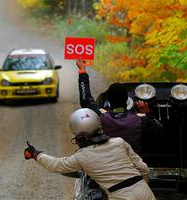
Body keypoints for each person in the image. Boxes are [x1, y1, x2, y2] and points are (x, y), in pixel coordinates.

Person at [24, 108, 156, 200]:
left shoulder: (82, 157)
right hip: (145, 192)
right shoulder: (119, 142)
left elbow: (56, 165)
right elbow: (143, 168)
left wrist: (36, 154)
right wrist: (142, 185)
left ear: (82, 138)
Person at [76, 58, 163, 154]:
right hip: (132, 165)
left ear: (109, 101)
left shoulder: (101, 117)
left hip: (108, 163)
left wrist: (82, 71)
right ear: (127, 100)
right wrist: (147, 114)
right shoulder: (141, 120)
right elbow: (159, 131)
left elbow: (86, 100)